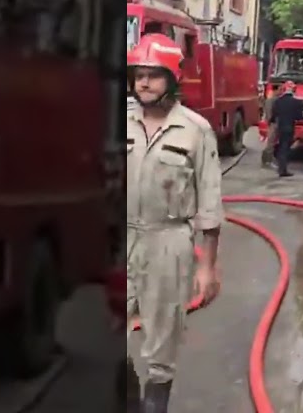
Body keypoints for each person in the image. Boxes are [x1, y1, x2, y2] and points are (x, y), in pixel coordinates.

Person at [126, 33, 223, 412]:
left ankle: (154, 404)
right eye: (138, 75)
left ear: (172, 79)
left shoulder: (195, 130)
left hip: (168, 243)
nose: (144, 83)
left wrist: (207, 267)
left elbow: (210, 204)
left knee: (162, 340)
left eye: (153, 75)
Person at [269, 81, 302, 178]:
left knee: (281, 147)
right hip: (290, 128)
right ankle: (283, 170)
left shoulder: (278, 101)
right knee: (285, 149)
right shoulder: (296, 102)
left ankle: (281, 168)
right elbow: (299, 117)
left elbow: (274, 116)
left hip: (281, 127)